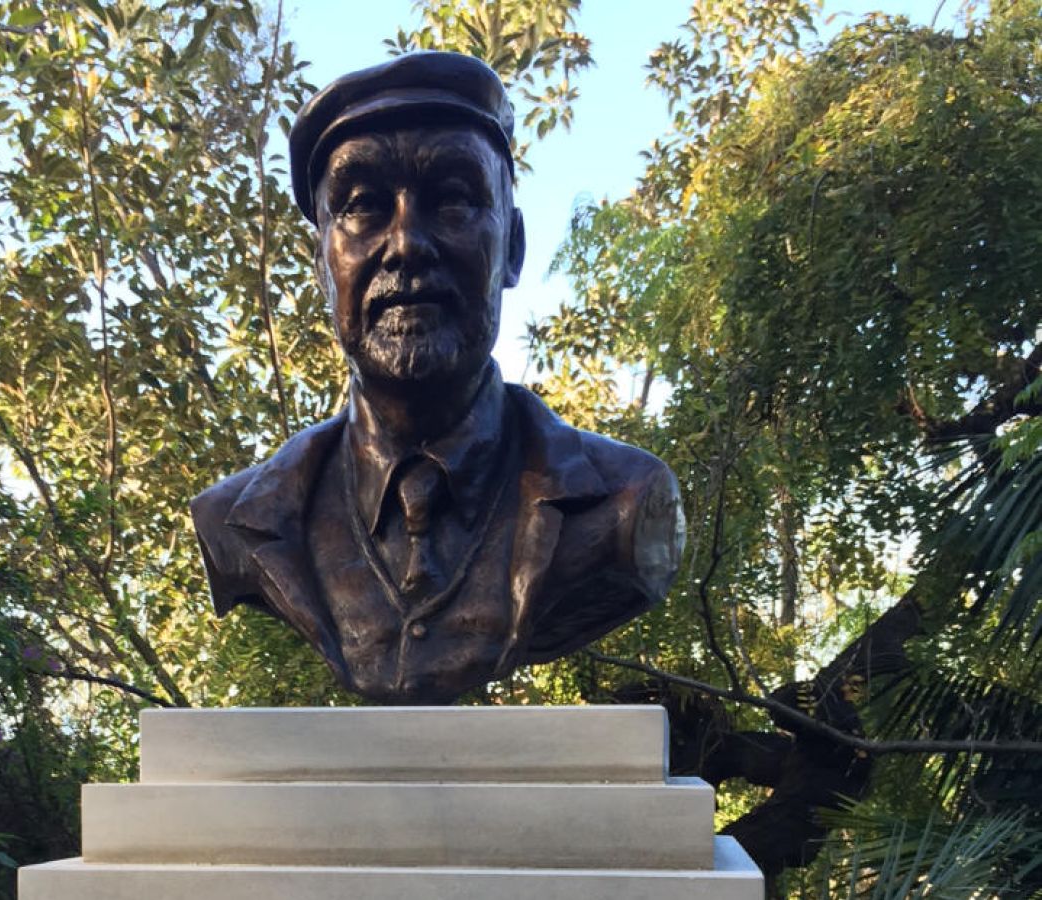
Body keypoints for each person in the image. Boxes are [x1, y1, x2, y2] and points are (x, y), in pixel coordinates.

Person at [190, 51, 685, 704]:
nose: (406, 244)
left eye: (452, 199)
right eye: (363, 207)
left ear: (511, 248)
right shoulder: (240, 523)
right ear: (321, 266)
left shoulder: (623, 505)